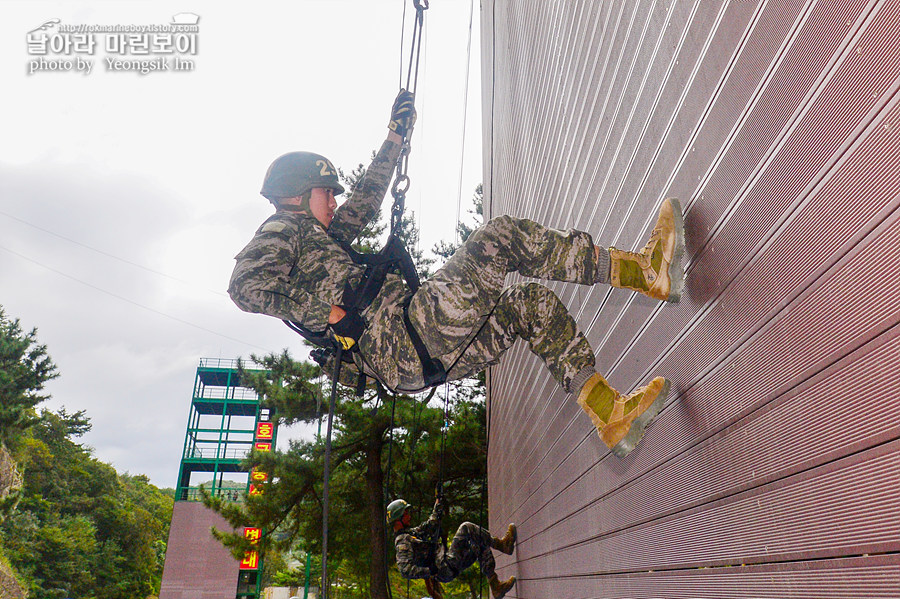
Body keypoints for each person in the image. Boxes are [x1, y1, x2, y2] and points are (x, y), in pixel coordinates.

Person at [228, 89, 685, 457]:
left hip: (415, 357)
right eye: (326, 192)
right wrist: (328, 313)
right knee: (500, 237)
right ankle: (643, 271)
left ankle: (611, 415)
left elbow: (366, 199)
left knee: (529, 306)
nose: (333, 201)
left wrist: (394, 138)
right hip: (404, 336)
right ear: (297, 194)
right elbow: (245, 286)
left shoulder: (320, 235)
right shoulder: (283, 228)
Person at [386, 497, 517, 599]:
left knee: (478, 542)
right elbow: (404, 570)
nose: (409, 516)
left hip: (446, 563)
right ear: (399, 519)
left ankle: (495, 586)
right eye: (406, 513)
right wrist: (429, 571)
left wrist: (437, 505)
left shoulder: (409, 534)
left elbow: (430, 526)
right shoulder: (402, 541)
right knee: (467, 527)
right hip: (444, 566)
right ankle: (502, 545)